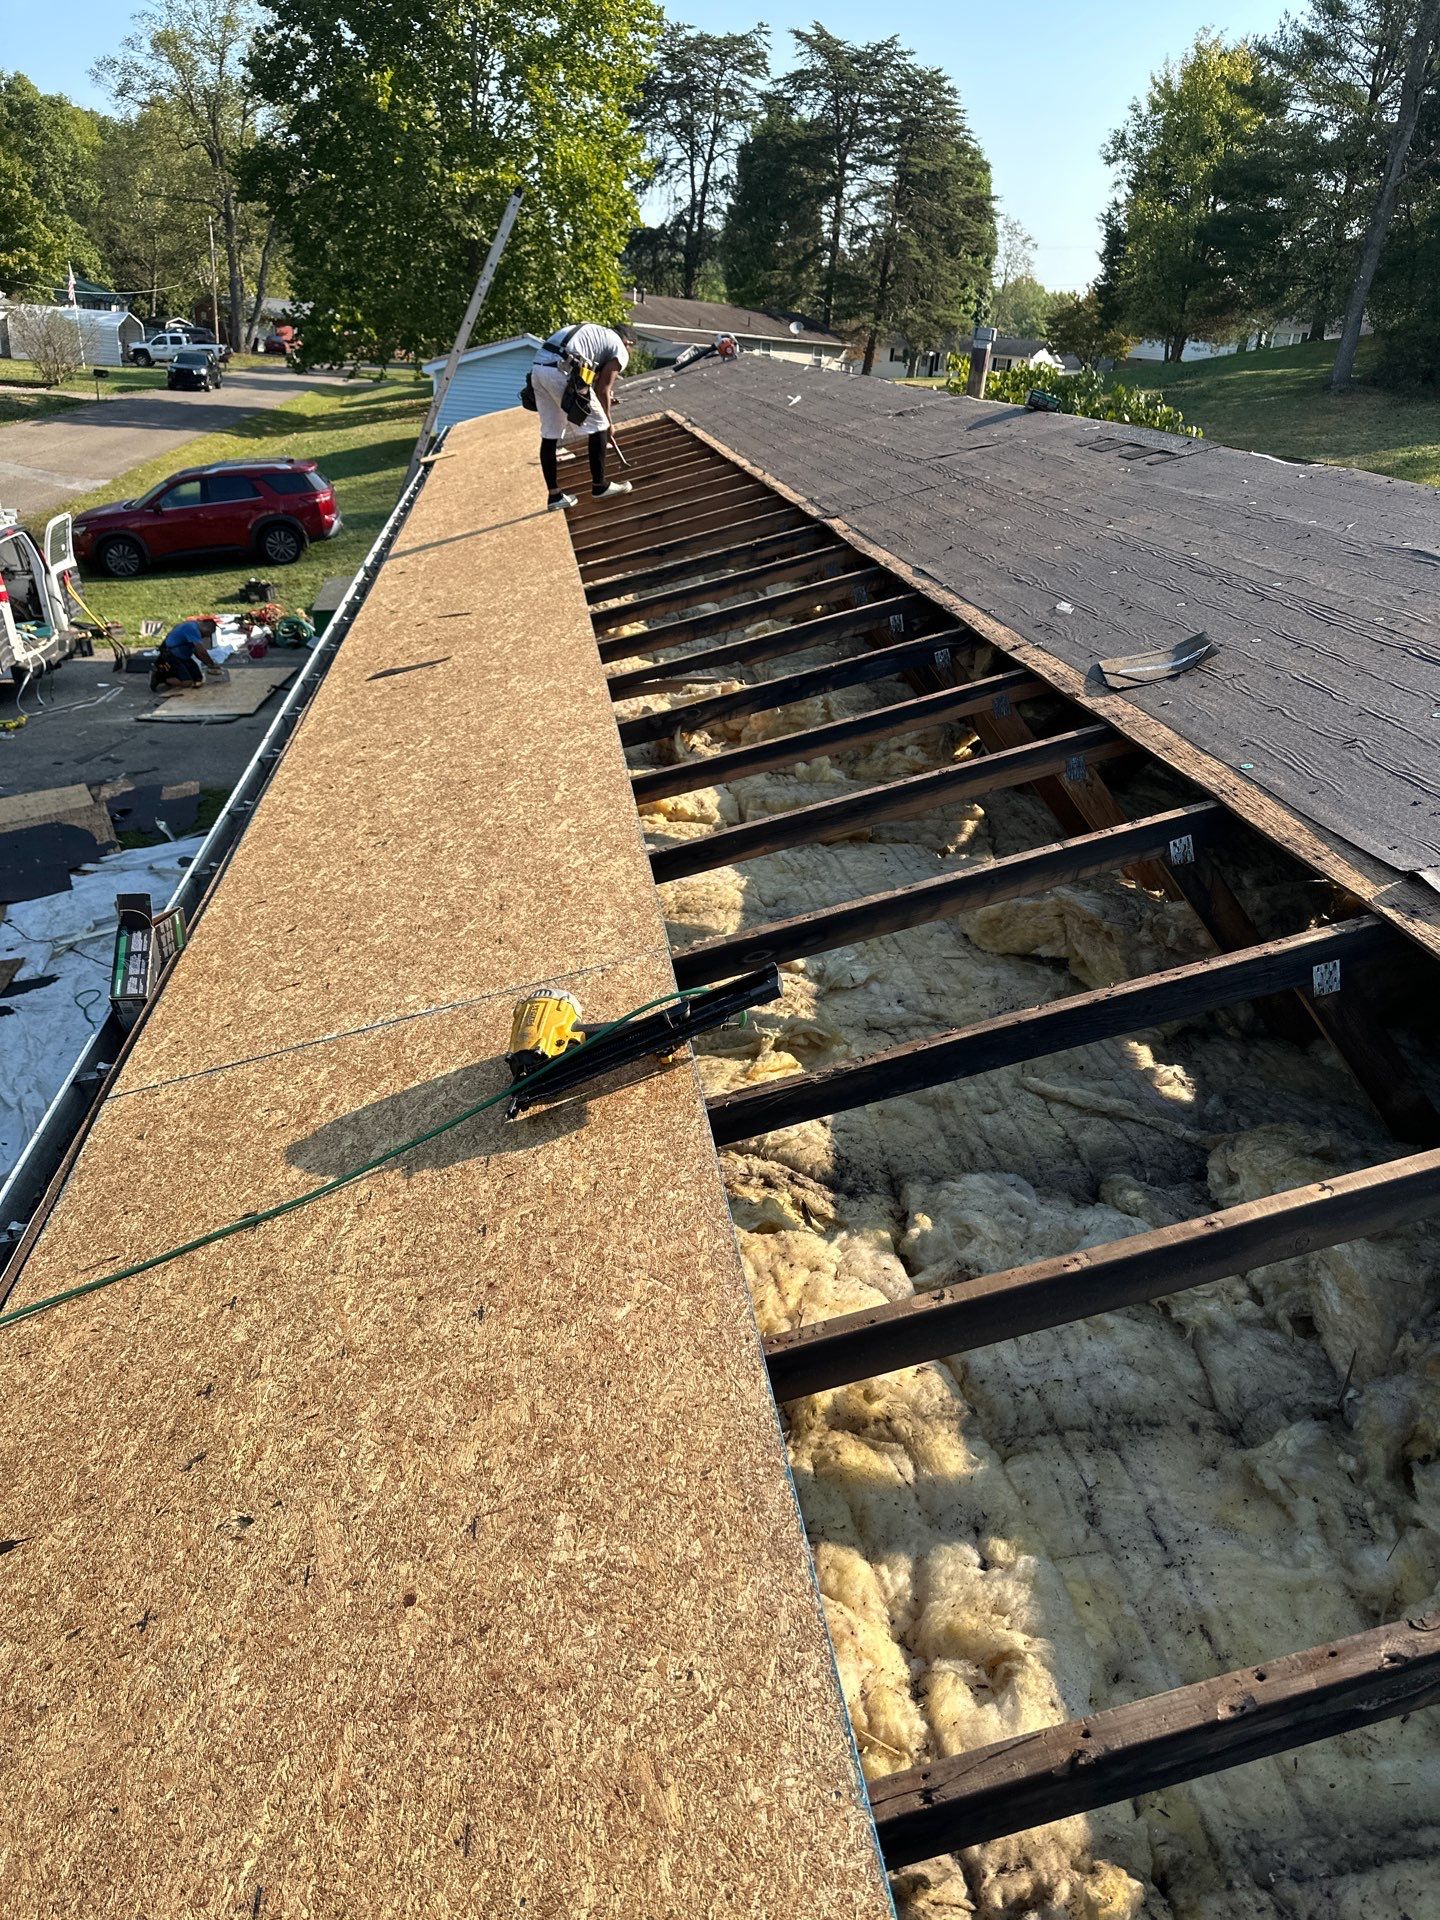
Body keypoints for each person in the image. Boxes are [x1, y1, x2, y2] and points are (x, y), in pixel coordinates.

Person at [529, 323, 636, 511]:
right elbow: (603, 389)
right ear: (628, 342)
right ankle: (600, 486)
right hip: (561, 370)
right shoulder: (620, 348)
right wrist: (609, 423)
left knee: (550, 433)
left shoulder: (597, 335)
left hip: (538, 369)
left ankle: (555, 496)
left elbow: (595, 384)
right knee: (600, 425)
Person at [152, 615, 219, 691]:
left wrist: (209, 664)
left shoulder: (194, 627)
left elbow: (197, 652)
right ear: (207, 628)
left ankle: (172, 677)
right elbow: (201, 651)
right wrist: (211, 664)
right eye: (208, 633)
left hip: (184, 656)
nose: (207, 636)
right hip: (172, 655)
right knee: (187, 682)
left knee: (198, 679)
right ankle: (159, 677)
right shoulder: (192, 629)